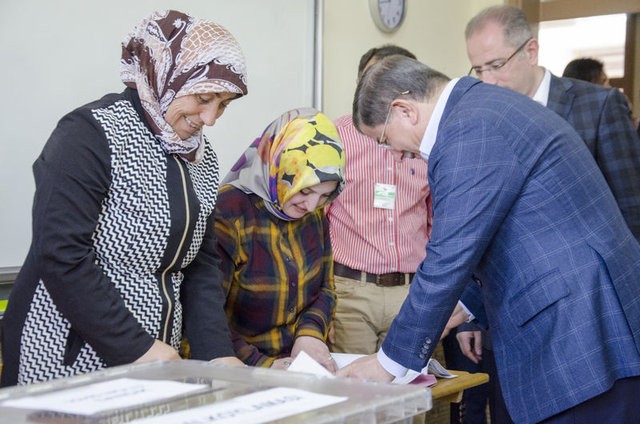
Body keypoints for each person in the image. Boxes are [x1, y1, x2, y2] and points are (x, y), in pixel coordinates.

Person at [337, 55, 640, 424]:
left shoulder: (468, 130)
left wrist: (389, 362)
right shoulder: (482, 109)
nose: (397, 155)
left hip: (581, 336)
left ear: (404, 111)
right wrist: (462, 307)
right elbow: (510, 232)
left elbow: (448, 257)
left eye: (385, 141)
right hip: (583, 324)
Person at [0, 10, 248, 387]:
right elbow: (62, 254)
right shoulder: (88, 135)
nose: (210, 118)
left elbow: (199, 264)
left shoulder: (201, 156)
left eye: (223, 105)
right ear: (166, 74)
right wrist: (136, 348)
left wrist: (216, 351)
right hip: (67, 355)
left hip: (153, 359)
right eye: (203, 97)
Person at [465, 5, 640, 242]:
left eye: (496, 66)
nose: (488, 81)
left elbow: (631, 203)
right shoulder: (485, 118)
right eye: (478, 70)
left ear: (531, 51)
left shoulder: (598, 106)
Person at [214, 108, 345, 371]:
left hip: (301, 365)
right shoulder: (230, 212)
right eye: (305, 191)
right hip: (240, 368)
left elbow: (325, 287)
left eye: (324, 196)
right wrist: (262, 365)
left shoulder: (314, 214)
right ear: (278, 167)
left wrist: (309, 334)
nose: (311, 205)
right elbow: (207, 316)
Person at [326, 44, 431, 355]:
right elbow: (314, 218)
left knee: (410, 397)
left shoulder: (427, 143)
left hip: (411, 293)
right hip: (350, 292)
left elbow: (436, 218)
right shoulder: (335, 137)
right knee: (358, 395)